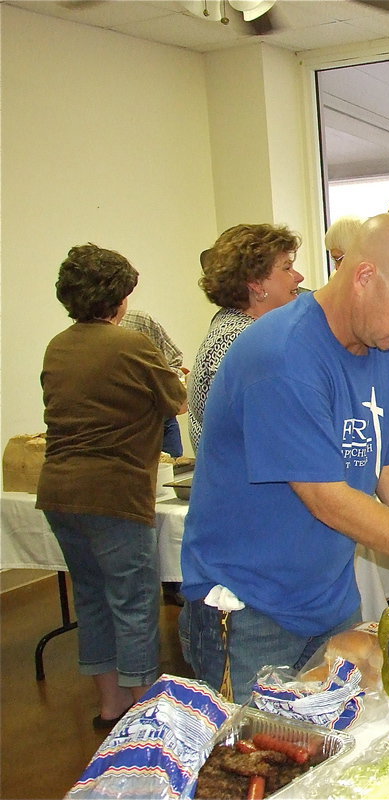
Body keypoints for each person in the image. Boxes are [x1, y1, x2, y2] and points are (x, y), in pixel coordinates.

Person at [180, 213, 389, 702]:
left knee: (342, 744)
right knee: (270, 762)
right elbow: (327, 499)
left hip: (328, 598)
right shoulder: (283, 357)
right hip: (251, 607)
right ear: (363, 277)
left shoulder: (382, 348)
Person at [37, 244, 188, 730]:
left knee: (92, 597)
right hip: (114, 493)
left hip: (59, 491)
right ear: (119, 298)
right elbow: (176, 401)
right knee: (133, 598)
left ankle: (110, 705)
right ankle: (147, 712)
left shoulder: (58, 345)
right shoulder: (131, 344)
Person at [188, 223, 304, 452]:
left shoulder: (236, 327)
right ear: (256, 284)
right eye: (287, 268)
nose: (299, 277)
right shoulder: (241, 342)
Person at [119, 308, 187, 457]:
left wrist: (170, 387)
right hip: (125, 430)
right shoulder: (85, 341)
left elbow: (174, 361)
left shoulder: (138, 320)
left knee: (173, 475)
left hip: (163, 420)